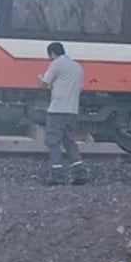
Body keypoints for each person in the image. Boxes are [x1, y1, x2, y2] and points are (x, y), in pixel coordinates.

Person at [39, 42, 87, 185]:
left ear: (52, 53)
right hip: (72, 110)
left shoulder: (57, 64)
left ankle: (57, 175)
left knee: (52, 141)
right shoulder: (77, 67)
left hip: (57, 110)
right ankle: (80, 174)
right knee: (69, 141)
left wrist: (40, 79)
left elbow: (45, 83)